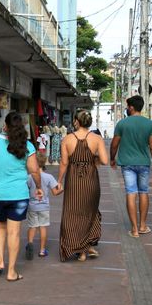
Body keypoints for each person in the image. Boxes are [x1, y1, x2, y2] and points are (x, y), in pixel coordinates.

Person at [0, 112, 43, 282]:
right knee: (14, 232)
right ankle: (11, 272)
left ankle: (0, 262)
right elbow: (34, 170)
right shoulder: (26, 145)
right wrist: (39, 187)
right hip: (18, 195)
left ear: (4, 126)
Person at [110, 95, 152, 237]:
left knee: (130, 192)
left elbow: (114, 144)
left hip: (127, 164)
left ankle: (134, 229)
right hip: (143, 164)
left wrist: (112, 158)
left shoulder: (122, 124)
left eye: (128, 106)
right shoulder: (150, 124)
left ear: (132, 107)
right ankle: (142, 226)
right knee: (143, 192)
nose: (127, 108)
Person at [58, 109, 108, 262]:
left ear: (76, 122)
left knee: (72, 213)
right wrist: (93, 161)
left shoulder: (67, 139)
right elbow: (105, 161)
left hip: (73, 180)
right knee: (90, 212)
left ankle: (79, 250)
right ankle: (87, 246)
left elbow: (64, 163)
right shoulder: (97, 138)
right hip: (91, 180)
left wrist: (59, 181)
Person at [26, 153, 63, 259]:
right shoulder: (49, 177)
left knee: (32, 227)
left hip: (32, 205)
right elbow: (55, 192)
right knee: (43, 227)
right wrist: (61, 189)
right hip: (44, 206)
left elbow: (26, 190)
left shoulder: (29, 177)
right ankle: (42, 250)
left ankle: (30, 244)